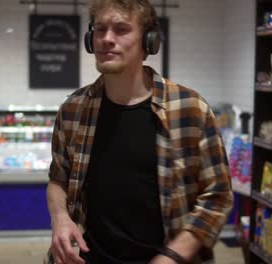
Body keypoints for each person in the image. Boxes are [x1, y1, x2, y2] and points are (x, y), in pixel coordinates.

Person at [46, 0, 234, 263]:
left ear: (149, 41)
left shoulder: (190, 109)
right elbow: (58, 180)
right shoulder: (73, 109)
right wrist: (60, 218)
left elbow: (218, 196)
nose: (107, 39)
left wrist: (172, 256)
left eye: (121, 29)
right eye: (100, 30)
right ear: (90, 39)